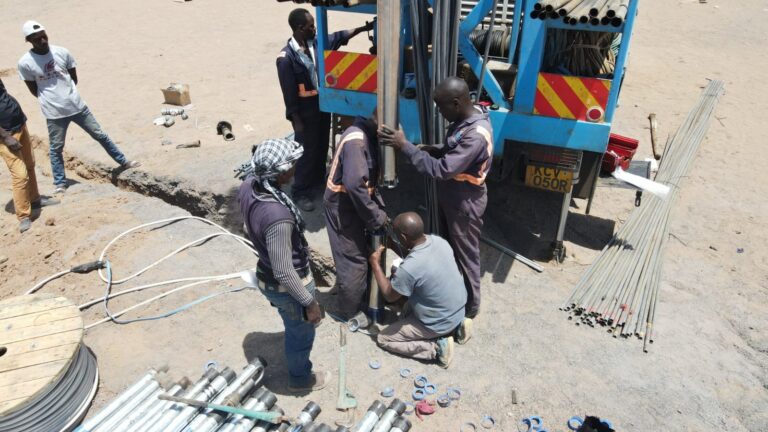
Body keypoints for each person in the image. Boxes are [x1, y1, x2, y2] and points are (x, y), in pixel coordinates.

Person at [378, 77, 493, 342]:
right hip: (454, 195)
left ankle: (471, 308)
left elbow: (440, 170)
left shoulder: (476, 135)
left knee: (466, 253)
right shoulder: (468, 119)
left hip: (465, 201)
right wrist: (436, 149)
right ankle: (451, 296)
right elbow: (453, 148)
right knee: (450, 248)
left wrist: (404, 146)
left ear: (456, 102)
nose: (440, 113)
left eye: (442, 108)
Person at [237, 138, 328, 393]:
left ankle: (292, 326)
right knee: (301, 333)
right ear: (280, 172)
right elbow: (284, 271)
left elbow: (246, 226)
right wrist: (310, 304)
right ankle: (300, 379)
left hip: (265, 274)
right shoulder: (278, 217)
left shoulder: (248, 186)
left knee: (291, 320)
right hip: (284, 286)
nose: (295, 169)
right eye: (292, 165)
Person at [17, 21, 139, 194]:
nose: (43, 41)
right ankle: (60, 183)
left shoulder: (61, 52)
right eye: (37, 39)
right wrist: (52, 98)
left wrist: (67, 94)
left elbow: (73, 78)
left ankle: (123, 162)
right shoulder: (25, 63)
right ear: (29, 40)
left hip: (77, 106)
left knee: (100, 135)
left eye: (44, 36)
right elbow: (33, 89)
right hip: (54, 113)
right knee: (56, 148)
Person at [276, 8, 373, 212]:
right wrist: (295, 119)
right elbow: (288, 92)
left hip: (322, 106)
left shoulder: (317, 44)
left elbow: (339, 36)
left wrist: (365, 28)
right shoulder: (286, 58)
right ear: (300, 28)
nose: (314, 29)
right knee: (306, 150)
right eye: (311, 26)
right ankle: (300, 191)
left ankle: (318, 181)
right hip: (304, 112)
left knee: (320, 146)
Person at [368, 212, 466, 368]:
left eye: (397, 234)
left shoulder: (410, 269)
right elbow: (418, 258)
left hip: (439, 322)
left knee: (384, 338)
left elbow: (389, 294)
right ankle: (459, 327)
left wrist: (375, 263)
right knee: (408, 304)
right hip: (458, 310)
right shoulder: (439, 241)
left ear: (405, 237)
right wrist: (394, 245)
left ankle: (436, 349)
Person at [323, 111, 387, 319]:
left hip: (352, 203)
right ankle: (349, 312)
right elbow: (354, 185)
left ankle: (367, 295)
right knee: (354, 261)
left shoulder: (368, 135)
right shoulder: (357, 142)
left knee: (366, 250)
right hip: (342, 207)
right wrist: (375, 216)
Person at [0, 78, 59, 233]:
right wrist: (5, 136)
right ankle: (24, 215)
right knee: (20, 175)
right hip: (5, 136)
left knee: (30, 164)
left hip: (18, 123)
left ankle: (35, 199)